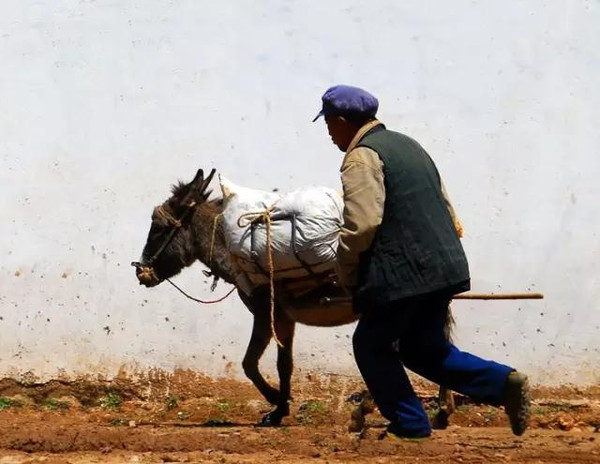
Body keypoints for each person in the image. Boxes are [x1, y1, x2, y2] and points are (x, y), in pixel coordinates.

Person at [313, 84, 530, 439]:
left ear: (341, 121)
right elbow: (445, 205)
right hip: (444, 266)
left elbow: (363, 224)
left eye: (328, 126)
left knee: (369, 344)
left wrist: (346, 271)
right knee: (422, 348)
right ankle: (503, 384)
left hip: (406, 273)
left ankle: (411, 425)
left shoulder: (361, 156)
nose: (329, 134)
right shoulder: (410, 145)